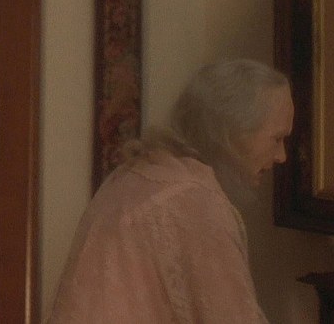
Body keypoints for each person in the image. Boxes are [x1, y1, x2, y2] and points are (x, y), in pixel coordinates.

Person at [47, 59, 294, 323]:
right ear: (232, 133)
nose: (282, 156)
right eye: (277, 138)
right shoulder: (194, 202)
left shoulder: (134, 175)